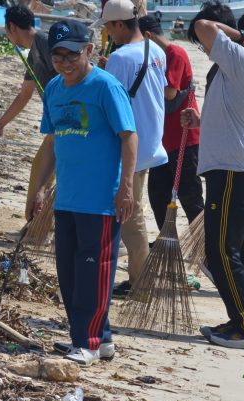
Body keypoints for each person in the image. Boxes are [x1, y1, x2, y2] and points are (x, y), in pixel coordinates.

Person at [27, 20, 138, 366]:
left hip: (101, 199)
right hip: (67, 198)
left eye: (71, 55)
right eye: (57, 56)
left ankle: (86, 342)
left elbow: (129, 137)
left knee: (95, 271)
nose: (65, 63)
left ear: (89, 50)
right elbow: (51, 143)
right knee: (70, 274)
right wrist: (38, 189)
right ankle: (100, 339)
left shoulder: (106, 87)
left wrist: (126, 187)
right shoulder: (54, 89)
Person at [180, 2, 244, 350]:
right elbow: (234, 117)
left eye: (205, 44)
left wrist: (239, 35)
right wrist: (200, 121)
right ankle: (239, 320)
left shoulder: (243, 58)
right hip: (231, 170)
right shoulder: (231, 66)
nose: (204, 48)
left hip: (235, 172)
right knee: (230, 249)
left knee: (220, 252)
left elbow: (203, 25)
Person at [99, 0, 168, 297]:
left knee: (129, 213)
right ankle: (137, 276)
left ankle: (141, 280)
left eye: (109, 28)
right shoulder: (156, 50)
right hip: (152, 139)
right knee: (133, 209)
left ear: (119, 24)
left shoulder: (121, 57)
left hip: (130, 142)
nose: (109, 34)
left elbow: (109, 101)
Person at [0, 6, 60, 215]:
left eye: (6, 30)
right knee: (42, 172)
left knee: (43, 173)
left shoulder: (45, 42)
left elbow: (68, 77)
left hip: (69, 120)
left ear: (12, 27)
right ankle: (38, 224)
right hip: (57, 121)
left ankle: (37, 224)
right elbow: (24, 95)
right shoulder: (33, 53)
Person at [137, 14, 203, 231]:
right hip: (163, 139)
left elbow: (170, 92)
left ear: (148, 36)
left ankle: (203, 243)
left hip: (183, 136)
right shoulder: (155, 57)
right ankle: (167, 239)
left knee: (189, 195)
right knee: (158, 194)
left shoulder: (174, 53)